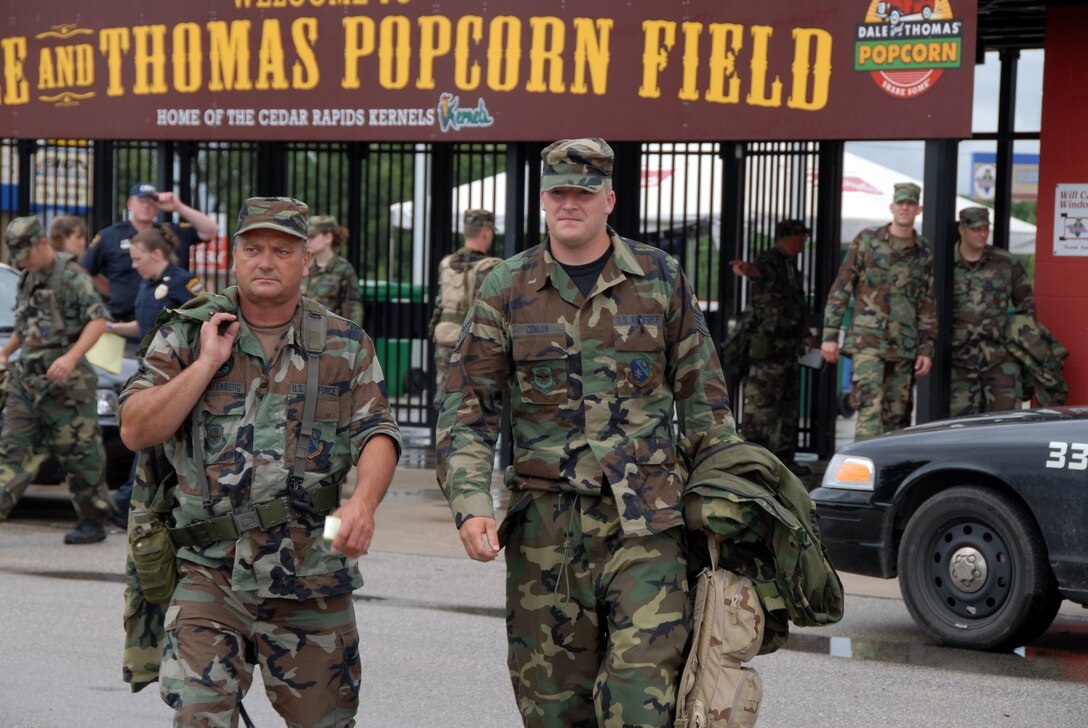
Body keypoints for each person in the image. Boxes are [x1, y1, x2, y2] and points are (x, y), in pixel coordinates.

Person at [436, 139, 741, 726]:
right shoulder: (506, 286)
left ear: (610, 199)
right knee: (552, 711)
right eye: (558, 192)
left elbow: (705, 400)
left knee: (640, 708)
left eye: (584, 192)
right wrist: (471, 503)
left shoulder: (659, 277)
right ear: (543, 199)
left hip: (648, 526)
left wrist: (724, 505)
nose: (569, 203)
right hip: (545, 533)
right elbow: (469, 408)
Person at [118, 197, 400, 726]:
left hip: (312, 569)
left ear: (306, 260)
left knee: (326, 721)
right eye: (253, 249)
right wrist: (206, 363)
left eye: (281, 250)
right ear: (234, 257)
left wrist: (363, 502)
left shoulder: (343, 342)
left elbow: (376, 430)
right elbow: (136, 428)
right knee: (200, 717)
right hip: (209, 569)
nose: (265, 261)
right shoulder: (187, 331)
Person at [0, 216, 114, 543]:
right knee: (13, 449)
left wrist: (71, 357)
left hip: (68, 382)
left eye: (27, 255)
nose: (24, 263)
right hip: (28, 379)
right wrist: (5, 353)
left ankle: (93, 520)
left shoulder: (73, 279)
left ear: (43, 244)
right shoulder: (26, 279)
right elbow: (25, 328)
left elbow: (98, 321)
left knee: (80, 454)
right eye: (18, 259)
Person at [821, 182, 936, 440]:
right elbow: (842, 286)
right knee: (869, 410)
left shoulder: (923, 251)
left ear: (919, 209)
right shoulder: (867, 240)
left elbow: (927, 302)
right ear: (892, 207)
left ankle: (889, 475)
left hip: (904, 345)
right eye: (901, 203)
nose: (905, 208)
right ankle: (860, 475)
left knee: (897, 415)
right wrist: (830, 336)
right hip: (868, 343)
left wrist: (927, 348)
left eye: (910, 204)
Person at [105, 228, 204, 525]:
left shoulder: (185, 282)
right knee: (147, 439)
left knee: (150, 439)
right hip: (148, 370)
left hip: (173, 375)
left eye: (138, 258)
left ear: (157, 254)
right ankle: (130, 501)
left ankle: (126, 501)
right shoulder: (146, 285)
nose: (134, 265)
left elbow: (203, 318)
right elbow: (145, 325)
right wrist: (110, 329)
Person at [730, 218, 814, 476]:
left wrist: (805, 333)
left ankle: (784, 458)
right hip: (768, 349)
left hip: (788, 347)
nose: (804, 241)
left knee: (788, 406)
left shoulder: (791, 266)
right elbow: (758, 271)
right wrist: (746, 269)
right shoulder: (770, 260)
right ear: (792, 237)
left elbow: (796, 304)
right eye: (802, 236)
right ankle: (752, 458)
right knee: (762, 405)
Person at [82, 182, 217, 324]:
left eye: (152, 201)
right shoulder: (110, 235)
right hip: (124, 320)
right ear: (130, 204)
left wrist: (178, 207)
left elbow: (211, 230)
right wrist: (114, 292)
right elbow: (86, 270)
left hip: (168, 324)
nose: (146, 205)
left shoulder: (169, 233)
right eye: (141, 200)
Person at [950, 206, 1035, 416]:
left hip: (1000, 360)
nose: (982, 234)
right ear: (962, 229)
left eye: (985, 229)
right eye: (976, 229)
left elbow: (1027, 307)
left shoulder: (1005, 262)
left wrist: (1022, 351)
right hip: (958, 361)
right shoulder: (945, 263)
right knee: (957, 427)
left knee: (1006, 423)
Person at [427, 208, 501, 408]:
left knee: (445, 395)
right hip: (473, 341)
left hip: (444, 337)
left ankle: (443, 436)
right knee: (473, 401)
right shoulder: (490, 267)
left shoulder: (447, 264)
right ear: (485, 232)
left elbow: (439, 303)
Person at [300, 214, 364, 324]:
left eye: (312, 236)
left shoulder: (344, 269)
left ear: (328, 237)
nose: (308, 241)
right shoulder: (303, 266)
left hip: (331, 335)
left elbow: (353, 309)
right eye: (306, 237)